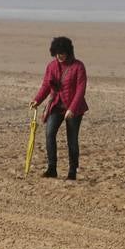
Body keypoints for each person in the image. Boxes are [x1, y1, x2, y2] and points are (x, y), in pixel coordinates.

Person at [30, 36, 88, 181]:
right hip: (56, 106)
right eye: (56, 53)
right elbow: (46, 86)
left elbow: (81, 90)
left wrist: (72, 109)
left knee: (72, 140)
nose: (59, 56)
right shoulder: (51, 66)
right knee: (49, 134)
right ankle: (52, 168)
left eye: (62, 53)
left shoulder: (78, 66)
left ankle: (72, 171)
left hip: (74, 108)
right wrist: (37, 100)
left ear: (68, 52)